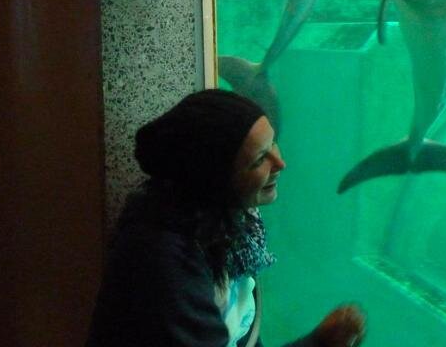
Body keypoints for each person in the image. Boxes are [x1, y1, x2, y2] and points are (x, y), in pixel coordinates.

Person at [86, 88, 366, 347]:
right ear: (215, 178)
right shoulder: (165, 260)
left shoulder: (226, 231)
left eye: (273, 143)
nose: (280, 163)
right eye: (259, 159)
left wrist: (318, 342)